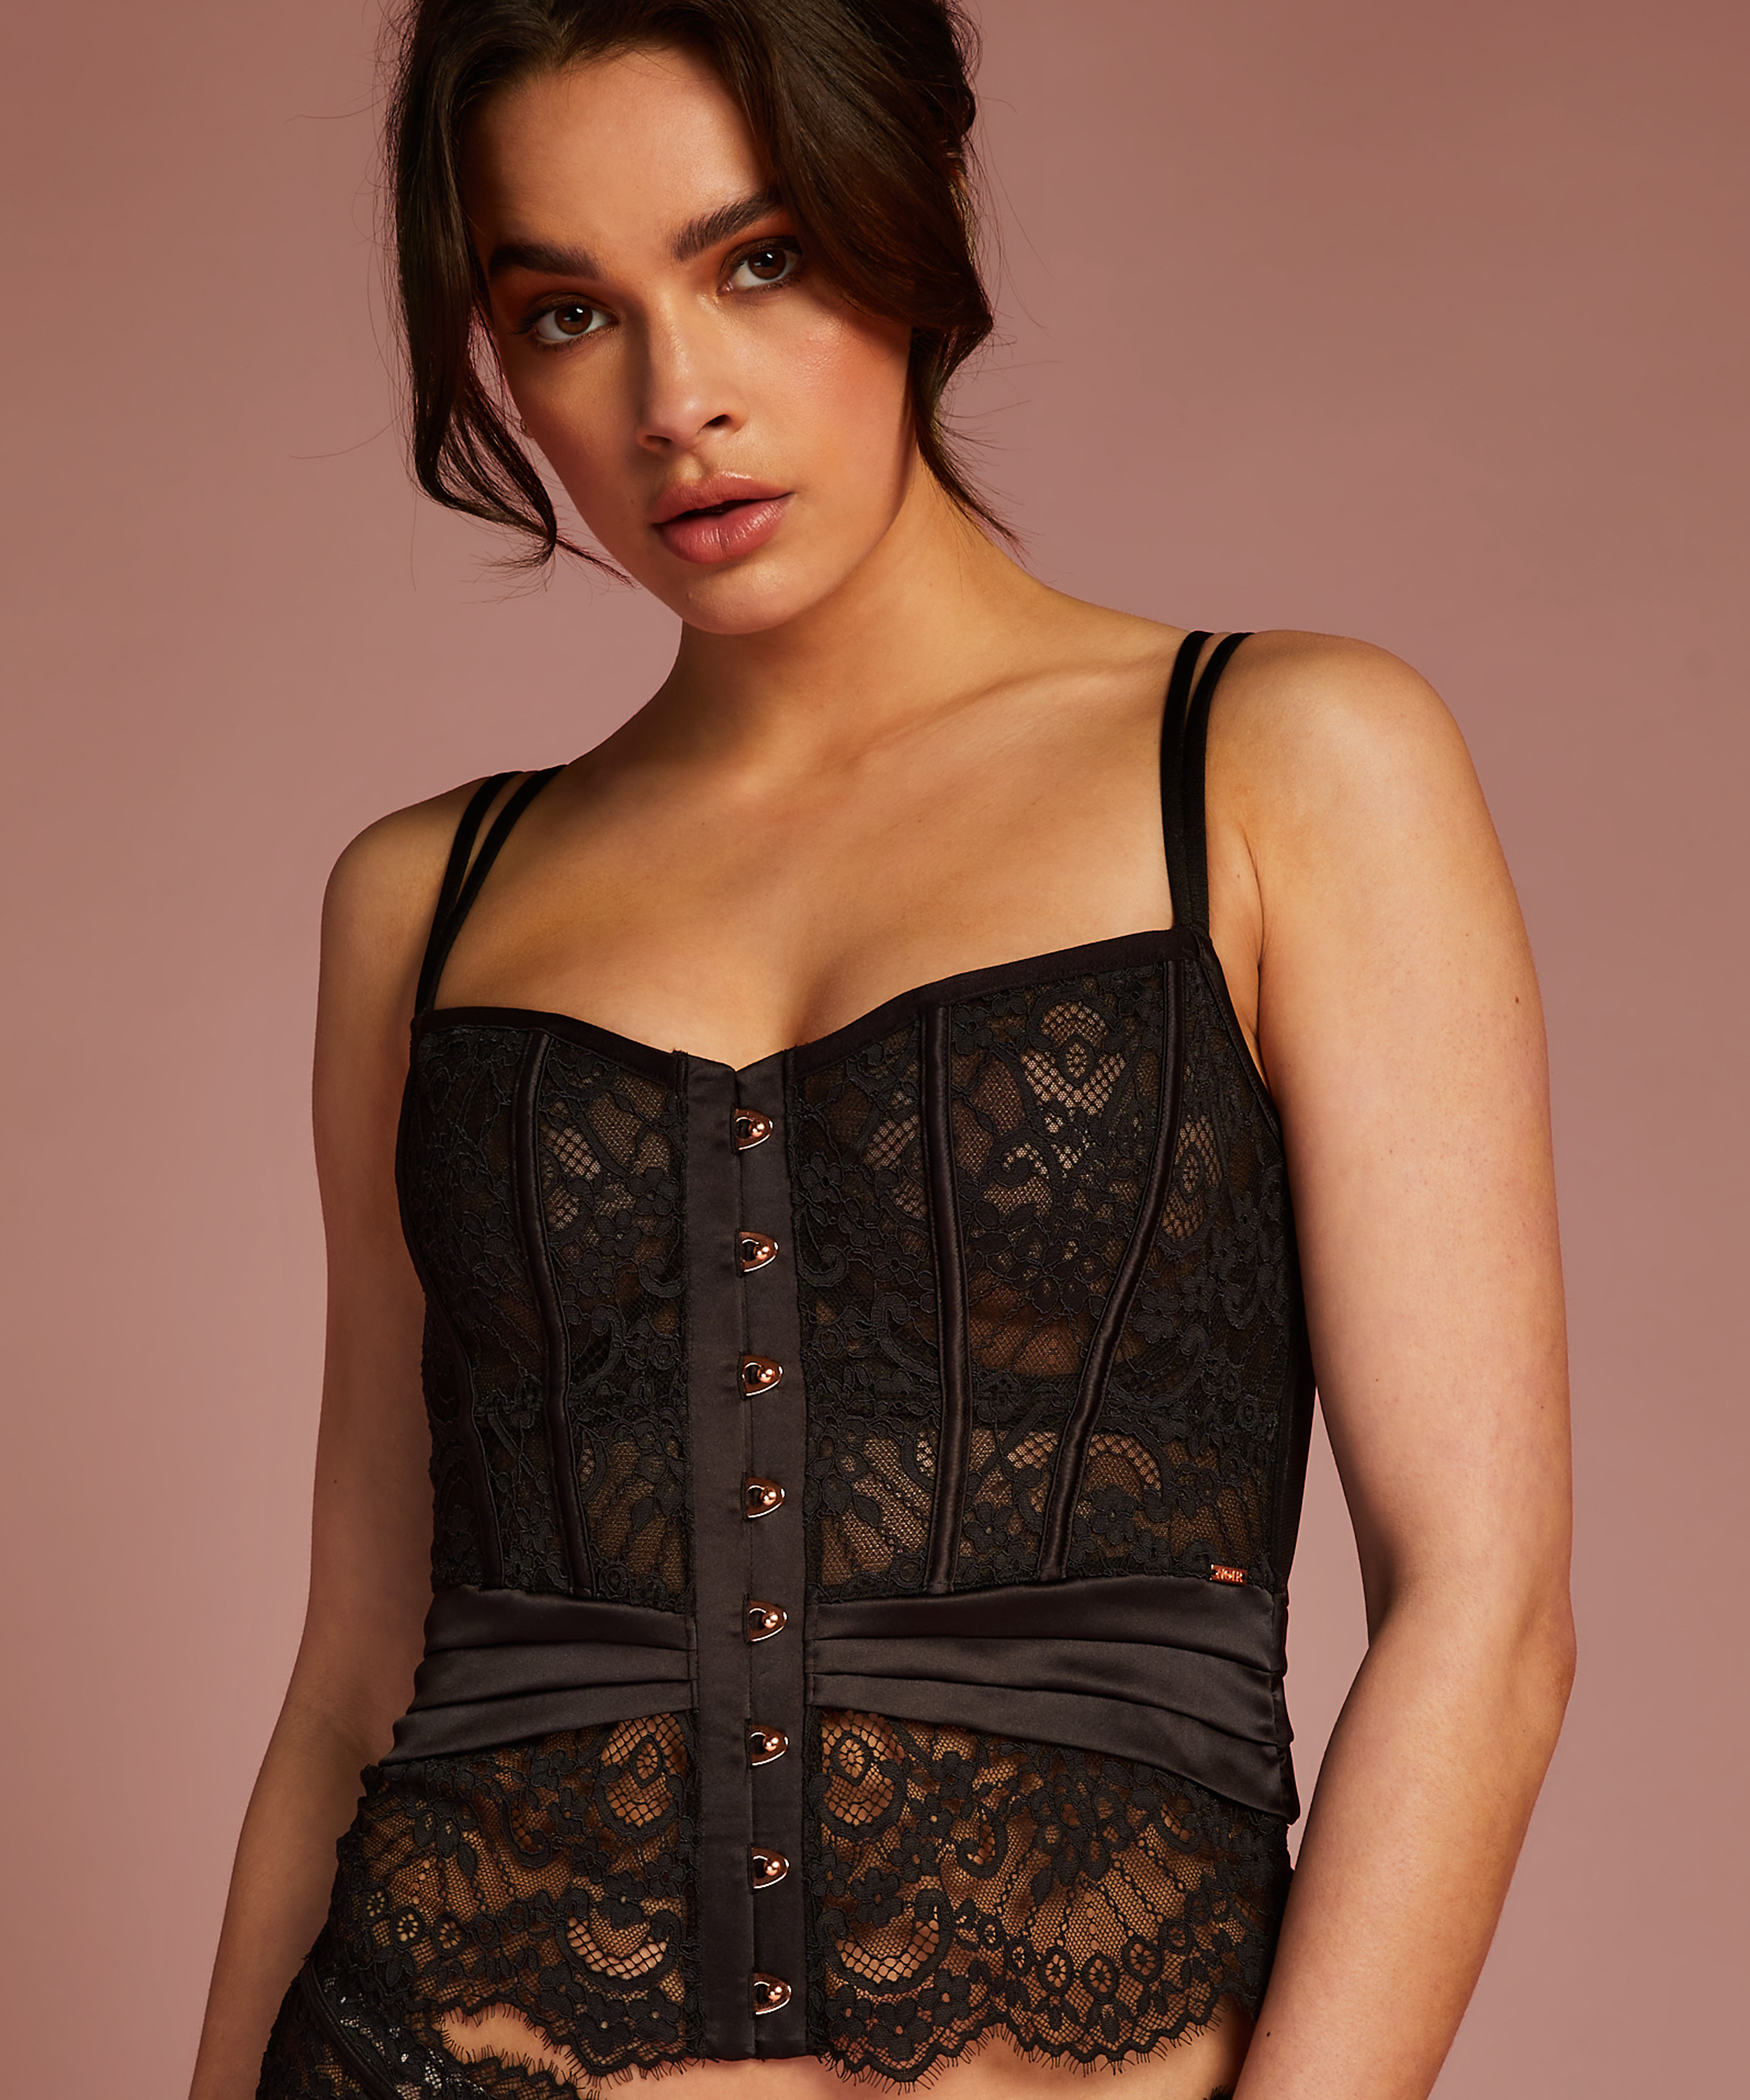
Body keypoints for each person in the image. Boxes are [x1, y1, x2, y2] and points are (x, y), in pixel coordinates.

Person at [191, 3, 1574, 2095]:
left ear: (913, 211)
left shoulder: (1281, 767)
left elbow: (1484, 1615)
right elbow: (354, 1673)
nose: (677, 400)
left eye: (756, 261)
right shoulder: (425, 900)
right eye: (566, 312)